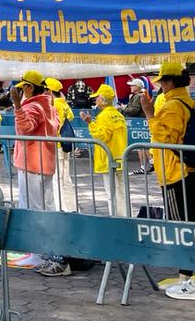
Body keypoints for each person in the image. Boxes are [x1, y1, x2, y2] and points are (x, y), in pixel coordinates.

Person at [141, 60, 195, 301]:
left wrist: (150, 115)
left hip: (175, 172)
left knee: (180, 225)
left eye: (162, 81)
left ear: (169, 81)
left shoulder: (173, 105)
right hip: (190, 169)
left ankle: (186, 277)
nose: (160, 86)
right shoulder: (191, 103)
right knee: (193, 221)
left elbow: (164, 138)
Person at [9, 69, 63, 275]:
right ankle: (47, 251)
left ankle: (37, 254)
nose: (22, 92)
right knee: (46, 207)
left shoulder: (33, 106)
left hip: (31, 163)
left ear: (30, 88)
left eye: (24, 88)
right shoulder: (49, 105)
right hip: (44, 162)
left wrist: (16, 106)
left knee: (32, 208)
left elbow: (25, 128)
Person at [82, 83, 126, 213]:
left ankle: (115, 220)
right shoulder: (119, 115)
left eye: (97, 97)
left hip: (108, 159)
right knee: (120, 191)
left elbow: (101, 136)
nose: (95, 100)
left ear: (103, 99)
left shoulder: (103, 116)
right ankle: (124, 216)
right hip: (119, 157)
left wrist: (90, 123)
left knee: (111, 194)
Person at [46, 77, 78, 208]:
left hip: (57, 144)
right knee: (65, 177)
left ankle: (61, 207)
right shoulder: (63, 103)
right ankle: (71, 206)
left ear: (49, 91)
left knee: (57, 178)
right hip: (64, 144)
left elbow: (55, 126)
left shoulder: (54, 105)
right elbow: (70, 116)